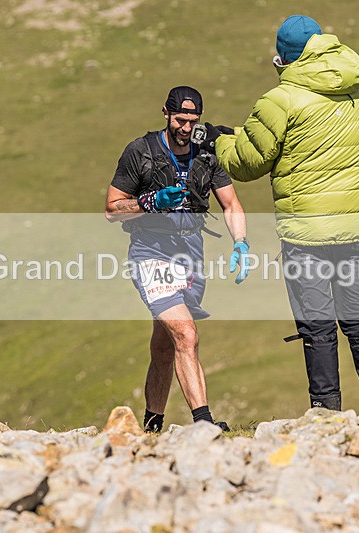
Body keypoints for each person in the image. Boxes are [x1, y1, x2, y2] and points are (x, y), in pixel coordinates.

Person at [201, 15, 359, 415]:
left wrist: (217, 143)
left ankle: (325, 414)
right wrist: (236, 134)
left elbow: (251, 162)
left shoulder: (281, 100)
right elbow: (302, 137)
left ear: (284, 60)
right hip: (355, 227)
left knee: (318, 327)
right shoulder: (353, 93)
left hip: (306, 234)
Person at [104, 86, 250, 432]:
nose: (186, 128)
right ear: (166, 113)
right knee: (186, 335)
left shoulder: (205, 153)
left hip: (191, 256)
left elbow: (231, 204)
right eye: (180, 120)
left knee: (164, 347)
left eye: (193, 121)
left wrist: (240, 243)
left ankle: (152, 425)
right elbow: (111, 209)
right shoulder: (140, 151)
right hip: (151, 253)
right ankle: (204, 423)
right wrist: (149, 202)